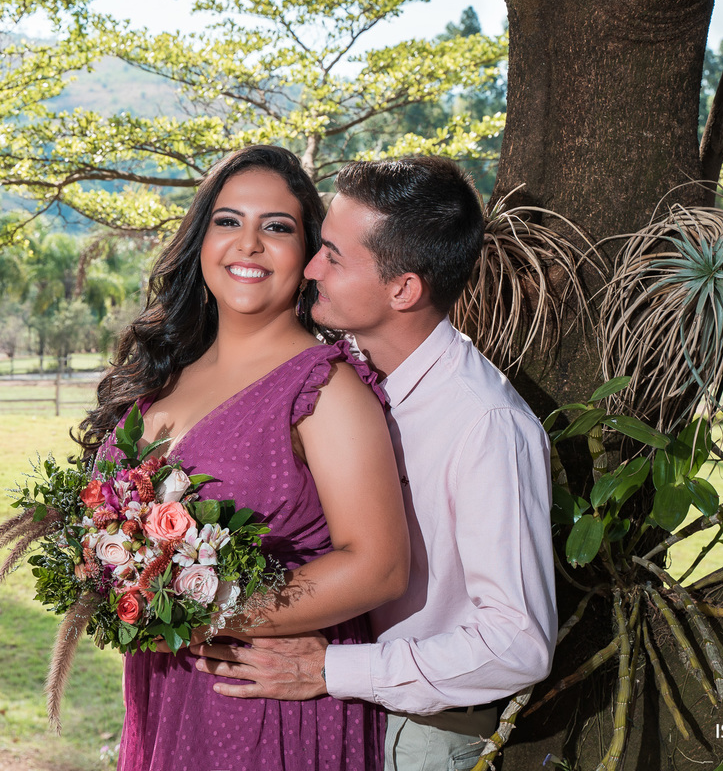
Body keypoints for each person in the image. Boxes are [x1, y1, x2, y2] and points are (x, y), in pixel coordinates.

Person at [191, 156, 559, 771]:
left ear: (403, 289)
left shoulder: (484, 425)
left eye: (332, 256)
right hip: (328, 706)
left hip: (418, 732)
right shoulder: (339, 374)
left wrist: (332, 667)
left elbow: (517, 644)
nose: (310, 267)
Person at [77, 145, 410, 770]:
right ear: (202, 239)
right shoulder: (164, 377)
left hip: (265, 697)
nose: (248, 244)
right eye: (228, 221)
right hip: (163, 688)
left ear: (309, 254)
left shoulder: (325, 389)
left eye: (276, 228)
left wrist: (207, 610)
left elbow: (379, 566)